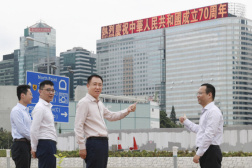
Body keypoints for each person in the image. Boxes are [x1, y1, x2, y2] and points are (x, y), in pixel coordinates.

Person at [74, 74, 137, 168]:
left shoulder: (99, 103)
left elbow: (111, 116)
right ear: (88, 86)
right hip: (93, 142)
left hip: (103, 142)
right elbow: (78, 126)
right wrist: (82, 147)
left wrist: (127, 110)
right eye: (94, 84)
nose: (97, 87)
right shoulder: (84, 102)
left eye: (100, 85)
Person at [179, 83, 223, 168]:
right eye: (197, 93)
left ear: (209, 95)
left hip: (210, 152)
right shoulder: (206, 111)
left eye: (200, 93)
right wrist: (185, 121)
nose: (197, 96)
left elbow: (209, 135)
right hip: (207, 151)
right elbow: (200, 130)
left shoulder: (213, 112)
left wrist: (199, 154)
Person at [30, 80, 57, 168]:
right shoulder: (40, 107)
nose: (51, 93)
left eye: (53, 90)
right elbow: (34, 129)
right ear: (40, 91)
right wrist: (33, 148)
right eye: (48, 90)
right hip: (45, 144)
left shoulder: (47, 107)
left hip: (50, 144)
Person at [10, 85, 33, 168]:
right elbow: (22, 130)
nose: (32, 97)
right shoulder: (16, 111)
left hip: (25, 145)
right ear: (22, 95)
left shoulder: (26, 111)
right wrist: (34, 139)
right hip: (20, 145)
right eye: (30, 94)